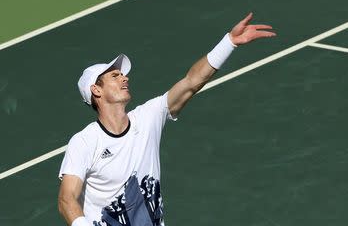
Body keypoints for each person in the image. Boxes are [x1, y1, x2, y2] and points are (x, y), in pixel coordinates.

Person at [58, 13, 276, 226]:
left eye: (122, 74)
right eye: (115, 76)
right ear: (96, 90)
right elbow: (67, 200)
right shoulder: (85, 142)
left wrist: (229, 42)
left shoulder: (148, 117)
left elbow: (192, 82)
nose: (124, 77)